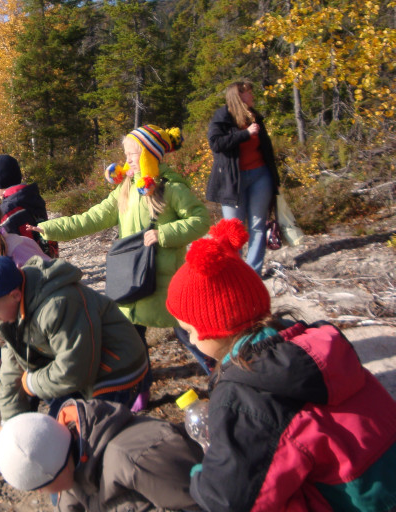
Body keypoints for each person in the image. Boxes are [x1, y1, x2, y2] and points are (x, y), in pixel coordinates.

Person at [166, 218, 396, 512]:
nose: (191, 341)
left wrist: (200, 474)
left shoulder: (247, 393)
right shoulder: (310, 346)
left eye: (190, 330)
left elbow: (229, 500)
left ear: (216, 330)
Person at [33, 125, 211, 412]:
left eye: (133, 153)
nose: (127, 159)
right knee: (133, 342)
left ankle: (220, 370)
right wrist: (47, 228)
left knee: (188, 332)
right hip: (132, 279)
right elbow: (90, 219)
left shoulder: (171, 188)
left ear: (151, 155)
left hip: (168, 282)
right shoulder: (125, 188)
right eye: (126, 153)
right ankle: (141, 388)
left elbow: (201, 220)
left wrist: (164, 234)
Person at [0, 255, 148, 421]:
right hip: (81, 364)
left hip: (116, 367)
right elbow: (10, 369)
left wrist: (31, 383)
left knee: (85, 438)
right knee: (53, 426)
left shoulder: (58, 304)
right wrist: (9, 424)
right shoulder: (10, 309)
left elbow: (74, 371)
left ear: (15, 295)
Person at [0, 398, 203, 511]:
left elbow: (207, 503)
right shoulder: (67, 458)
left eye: (39, 487)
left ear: (55, 471)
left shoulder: (139, 458)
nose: (40, 493)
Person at [206, 80, 280, 276]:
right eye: (249, 93)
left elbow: (266, 149)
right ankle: (236, 273)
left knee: (258, 225)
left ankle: (253, 274)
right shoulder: (223, 116)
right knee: (233, 230)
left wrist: (274, 178)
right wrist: (245, 134)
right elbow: (216, 144)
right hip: (233, 181)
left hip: (260, 175)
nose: (253, 96)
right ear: (239, 96)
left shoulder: (254, 116)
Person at [0, 154, 57, 258]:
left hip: (27, 264)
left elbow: (3, 244)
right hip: (47, 256)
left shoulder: (6, 210)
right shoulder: (31, 195)